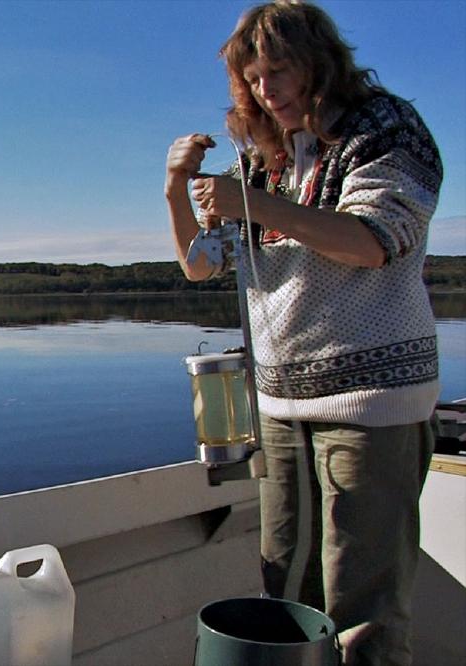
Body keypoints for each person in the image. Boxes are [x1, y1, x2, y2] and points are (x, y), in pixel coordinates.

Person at [164, 2, 442, 664]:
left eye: (279, 71)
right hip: (281, 407)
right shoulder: (266, 160)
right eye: (253, 79)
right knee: (285, 590)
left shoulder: (383, 127)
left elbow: (375, 239)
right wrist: (177, 189)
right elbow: (202, 264)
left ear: (318, 62)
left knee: (360, 611)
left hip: (370, 405)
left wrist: (251, 203)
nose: (268, 91)